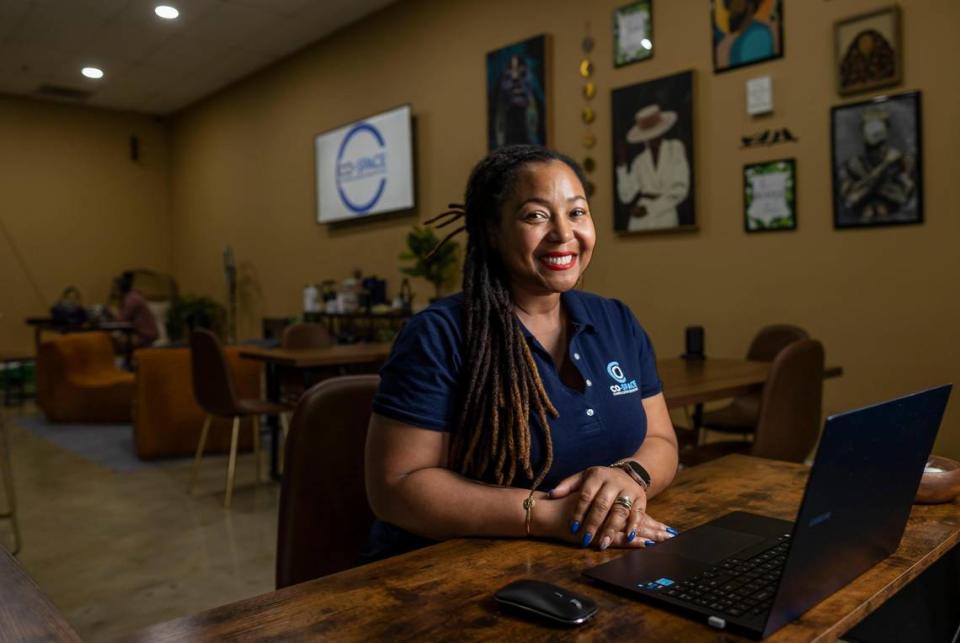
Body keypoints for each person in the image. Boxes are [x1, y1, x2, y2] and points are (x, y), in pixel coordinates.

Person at [364, 145, 679, 562]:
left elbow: (660, 440)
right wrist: (548, 516)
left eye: (577, 212)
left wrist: (629, 477)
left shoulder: (616, 320)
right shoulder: (438, 335)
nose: (564, 234)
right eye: (536, 215)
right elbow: (397, 487)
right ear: (491, 230)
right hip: (450, 573)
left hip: (590, 562)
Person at [615, 104, 690, 232]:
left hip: (665, 214)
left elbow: (680, 188)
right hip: (639, 220)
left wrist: (650, 209)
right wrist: (622, 165)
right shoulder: (640, 161)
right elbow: (626, 195)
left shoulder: (675, 148)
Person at [838, 108, 915, 223]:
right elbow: (850, 199)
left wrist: (865, 188)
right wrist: (885, 166)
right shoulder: (850, 166)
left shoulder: (902, 162)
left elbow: (902, 197)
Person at [113, 271, 159, 348]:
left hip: (144, 337)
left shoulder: (132, 299)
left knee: (111, 342)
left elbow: (121, 320)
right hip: (147, 335)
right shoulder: (135, 296)